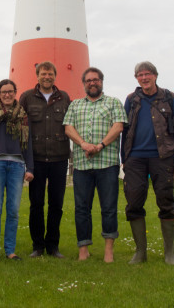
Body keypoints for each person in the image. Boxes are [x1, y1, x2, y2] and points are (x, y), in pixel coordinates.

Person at [121, 61, 174, 265]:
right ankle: (140, 252)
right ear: (136, 79)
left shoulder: (169, 98)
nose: (144, 78)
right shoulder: (131, 100)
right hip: (135, 159)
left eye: (147, 74)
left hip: (163, 157)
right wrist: (124, 159)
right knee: (133, 203)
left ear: (155, 75)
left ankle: (169, 254)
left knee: (166, 203)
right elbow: (124, 131)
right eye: (139, 75)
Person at [63, 67, 127, 263]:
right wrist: (82, 144)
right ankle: (83, 249)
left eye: (96, 79)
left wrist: (100, 145)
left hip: (107, 164)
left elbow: (119, 126)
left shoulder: (113, 102)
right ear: (84, 84)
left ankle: (109, 250)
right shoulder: (75, 105)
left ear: (102, 81)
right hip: (82, 165)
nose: (93, 83)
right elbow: (68, 127)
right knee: (82, 208)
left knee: (109, 207)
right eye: (89, 80)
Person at [19, 61, 70, 258]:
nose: (46, 77)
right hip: (36, 158)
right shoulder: (26, 97)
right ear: (37, 76)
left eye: (50, 74)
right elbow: (22, 126)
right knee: (36, 204)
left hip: (59, 158)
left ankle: (53, 246)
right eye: (43, 74)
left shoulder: (64, 97)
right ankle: (37, 246)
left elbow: (70, 123)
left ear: (55, 76)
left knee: (56, 204)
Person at [0, 79, 34, 261]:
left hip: (17, 165)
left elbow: (28, 144)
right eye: (4, 92)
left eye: (10, 91)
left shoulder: (23, 116)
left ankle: (10, 250)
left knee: (13, 210)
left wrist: (30, 167)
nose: (7, 95)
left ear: (15, 92)